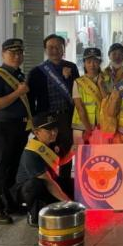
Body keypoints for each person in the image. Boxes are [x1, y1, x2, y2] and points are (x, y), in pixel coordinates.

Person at [0, 38, 31, 224]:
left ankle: (10, 204)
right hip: (2, 128)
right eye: (12, 53)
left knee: (13, 168)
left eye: (19, 53)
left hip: (19, 128)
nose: (17, 56)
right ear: (3, 54)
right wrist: (18, 93)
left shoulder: (19, 75)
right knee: (0, 169)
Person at [27, 34, 79, 184]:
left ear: (64, 48)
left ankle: (65, 185)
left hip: (66, 118)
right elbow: (30, 100)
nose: (55, 50)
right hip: (46, 120)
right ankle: (49, 186)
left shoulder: (72, 67)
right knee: (47, 153)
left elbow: (78, 93)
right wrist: (33, 124)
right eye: (51, 47)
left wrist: (67, 79)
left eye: (58, 47)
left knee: (67, 151)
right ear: (45, 49)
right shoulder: (36, 72)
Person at [11, 113, 73, 227]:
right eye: (49, 131)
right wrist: (68, 202)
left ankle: (52, 205)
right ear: (36, 132)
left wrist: (72, 152)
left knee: (72, 184)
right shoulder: (31, 152)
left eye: (55, 129)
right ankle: (33, 214)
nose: (53, 133)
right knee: (37, 184)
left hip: (48, 182)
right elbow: (49, 183)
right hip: (29, 189)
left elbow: (59, 162)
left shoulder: (50, 143)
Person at [71, 47, 108, 145]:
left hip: (102, 125)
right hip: (82, 126)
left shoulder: (107, 80)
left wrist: (101, 85)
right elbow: (80, 108)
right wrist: (88, 130)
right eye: (89, 62)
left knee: (101, 153)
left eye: (95, 61)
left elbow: (108, 103)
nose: (92, 65)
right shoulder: (78, 82)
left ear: (100, 62)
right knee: (83, 153)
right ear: (84, 63)